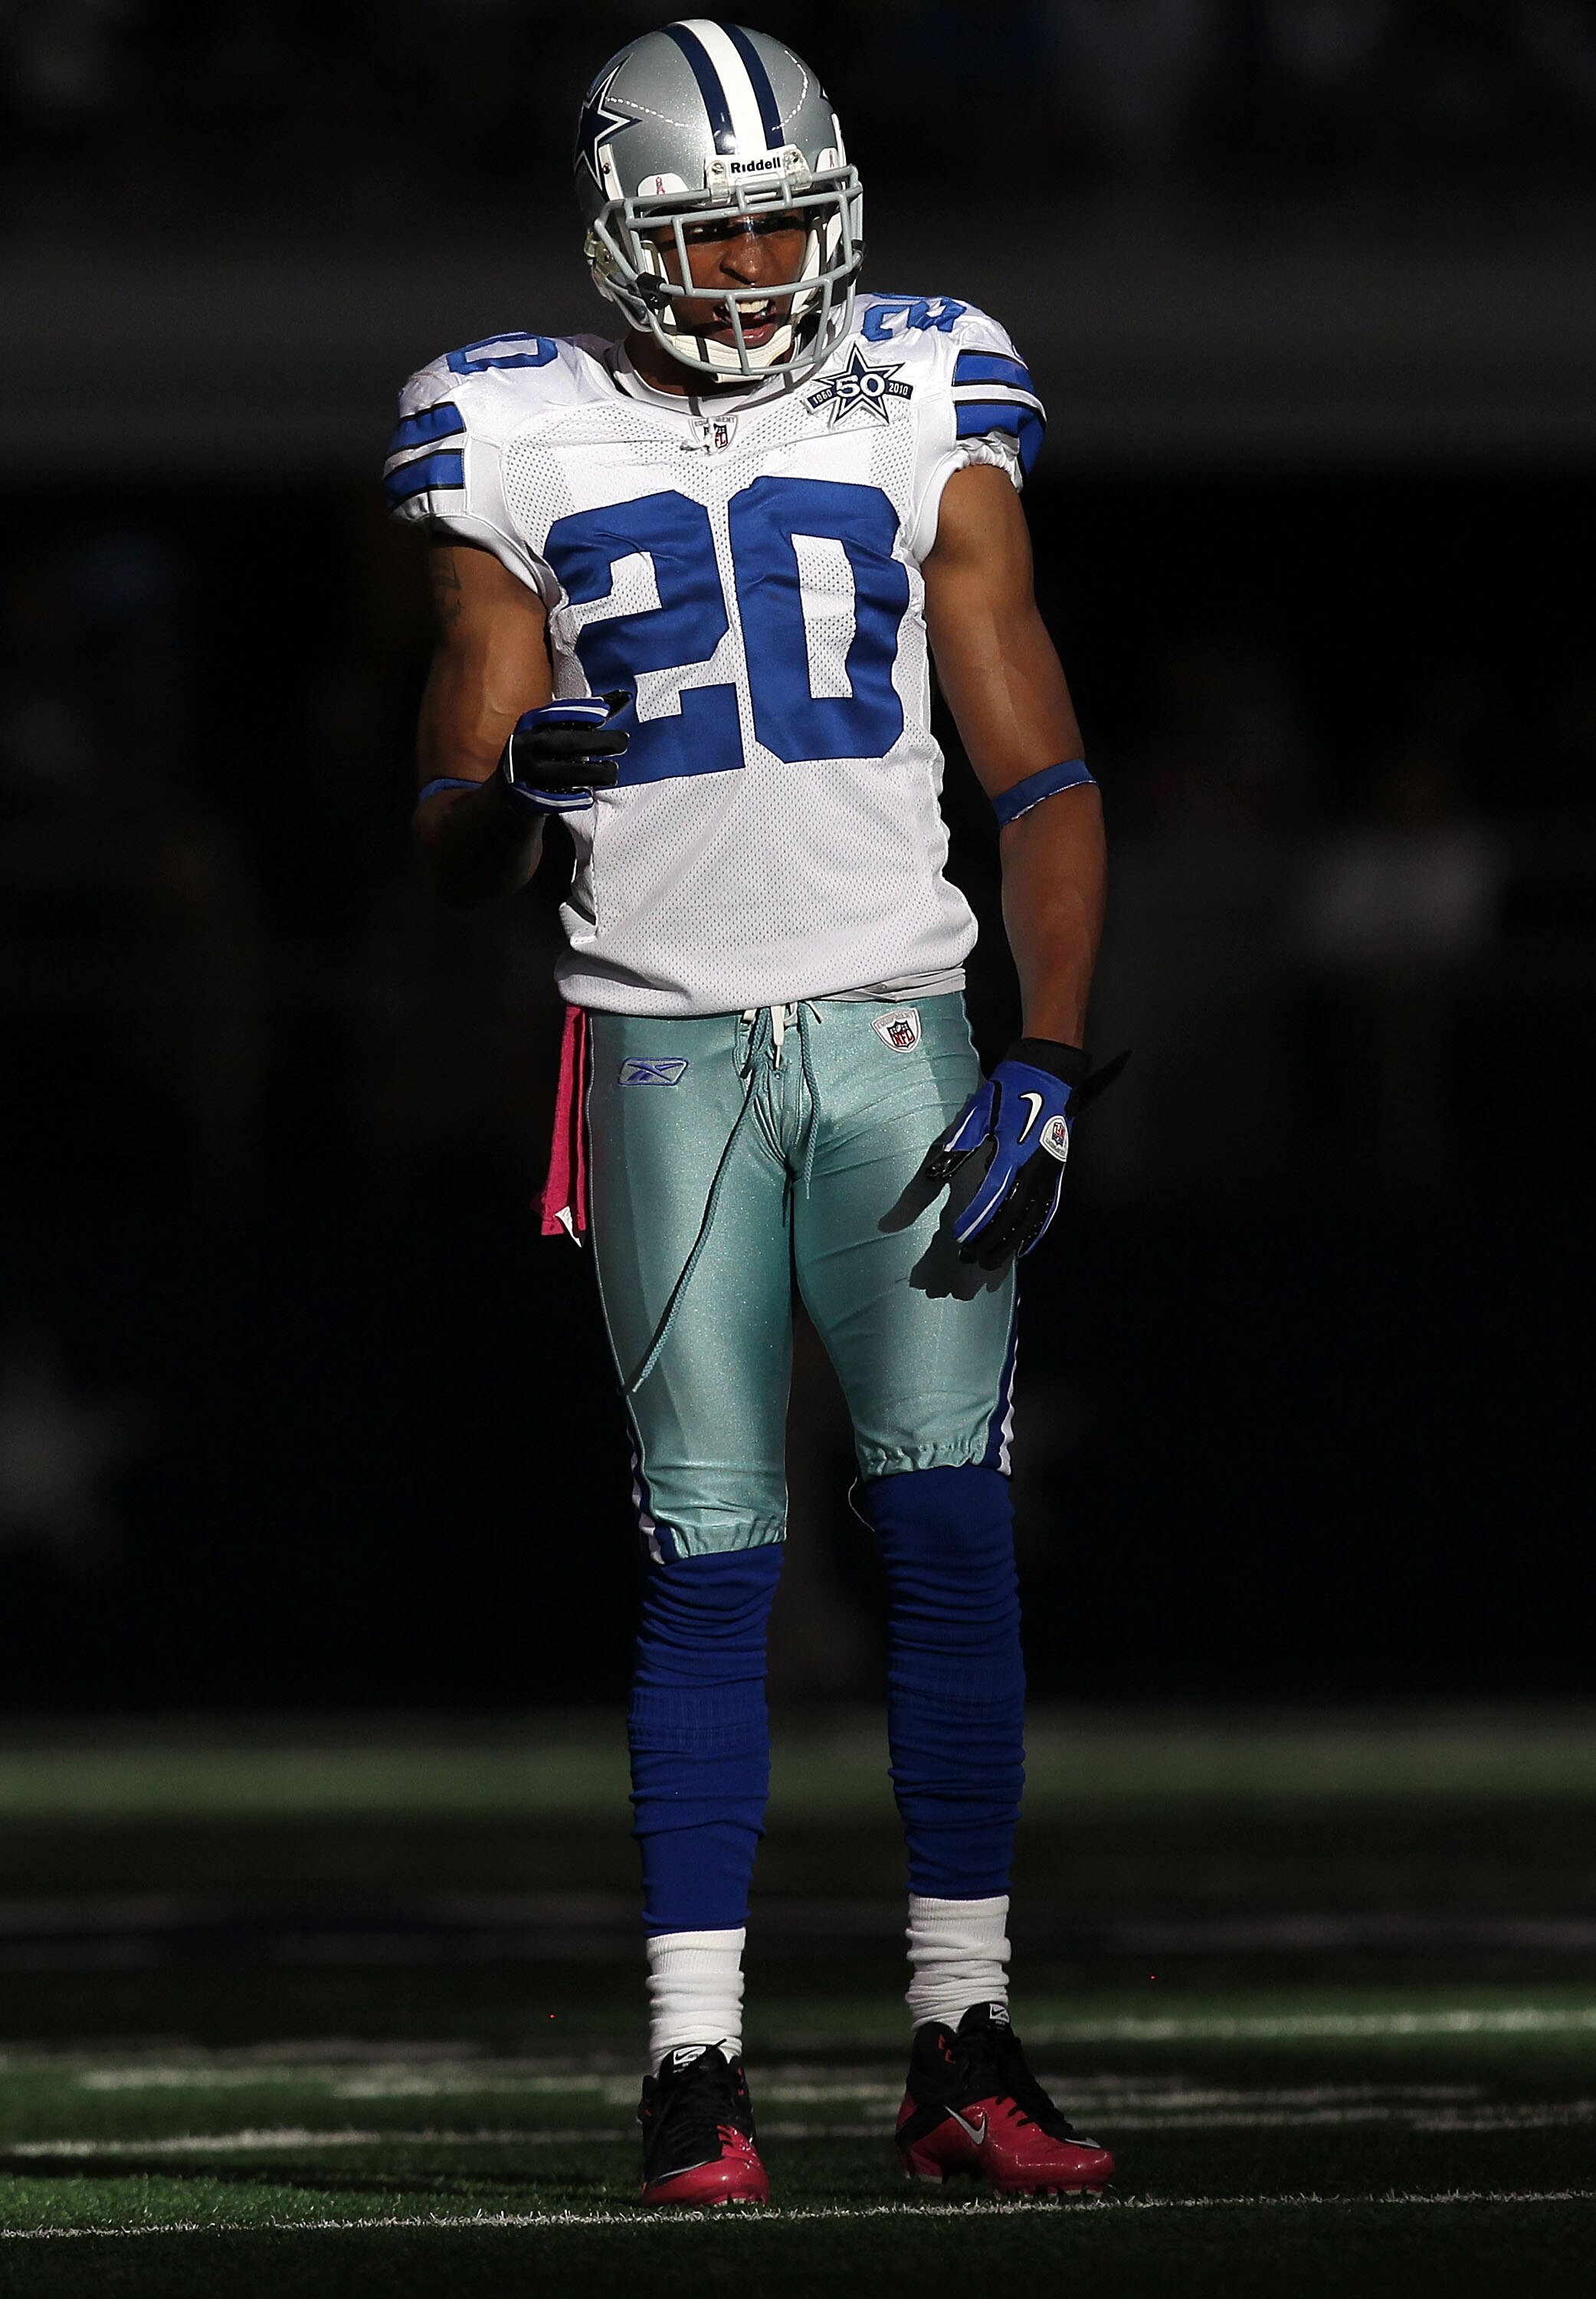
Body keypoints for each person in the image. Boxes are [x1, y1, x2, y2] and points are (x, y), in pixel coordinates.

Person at [389, 17, 1116, 2211]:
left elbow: (1046, 775)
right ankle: (691, 2069)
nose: (748, 276)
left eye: (782, 227)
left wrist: (1053, 1059)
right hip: (661, 1045)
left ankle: (961, 2039)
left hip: (899, 1027)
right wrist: (510, 790)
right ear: (619, 235)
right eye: (705, 240)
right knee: (711, 1558)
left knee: (950, 1537)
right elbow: (445, 823)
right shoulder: (499, 421)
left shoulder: (926, 379)